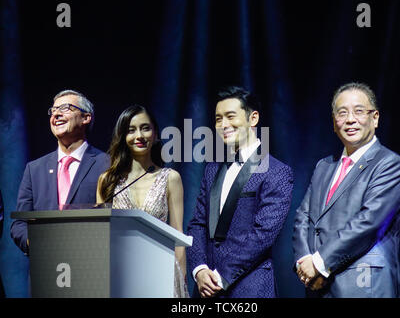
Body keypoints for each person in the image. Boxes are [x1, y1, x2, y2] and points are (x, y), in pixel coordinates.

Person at [293, 82, 400, 298]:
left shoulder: (389, 164)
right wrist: (304, 262)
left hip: (364, 286)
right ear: (334, 123)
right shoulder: (324, 166)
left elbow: (369, 222)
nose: (350, 119)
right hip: (317, 286)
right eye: (342, 113)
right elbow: (303, 217)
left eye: (358, 111)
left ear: (375, 118)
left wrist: (319, 263)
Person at [186, 86, 294, 298]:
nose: (223, 124)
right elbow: (197, 223)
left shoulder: (277, 172)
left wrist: (220, 276)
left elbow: (262, 235)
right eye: (218, 119)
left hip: (249, 288)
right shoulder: (212, 168)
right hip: (204, 288)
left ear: (253, 118)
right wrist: (199, 269)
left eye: (230, 116)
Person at [96, 105, 189, 298]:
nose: (139, 135)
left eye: (145, 128)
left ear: (155, 134)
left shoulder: (170, 178)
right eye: (131, 130)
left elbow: (177, 234)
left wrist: (180, 281)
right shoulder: (107, 180)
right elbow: (100, 237)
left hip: (161, 272)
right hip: (120, 276)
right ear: (123, 136)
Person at [10, 90, 109, 255]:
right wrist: (34, 241)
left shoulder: (107, 164)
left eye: (65, 108)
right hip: (45, 269)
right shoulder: (34, 169)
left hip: (90, 267)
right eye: (53, 110)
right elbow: (19, 223)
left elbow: (115, 218)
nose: (56, 114)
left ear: (86, 118)